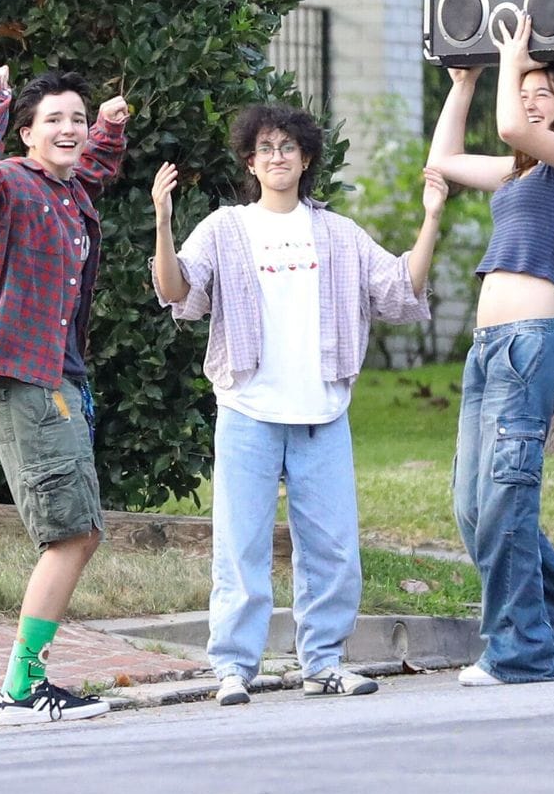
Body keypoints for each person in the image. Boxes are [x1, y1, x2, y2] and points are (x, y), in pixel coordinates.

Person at [151, 103, 449, 705]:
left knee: (334, 548)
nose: (277, 157)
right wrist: (162, 219)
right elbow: (176, 289)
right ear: (250, 163)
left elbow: (399, 289)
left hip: (322, 414)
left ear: (306, 158)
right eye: (265, 148)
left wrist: (432, 218)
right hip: (248, 411)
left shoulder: (336, 232)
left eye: (288, 147)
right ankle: (233, 668)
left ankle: (324, 662)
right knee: (241, 546)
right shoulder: (225, 227)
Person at [426, 10, 554, 686]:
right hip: (489, 349)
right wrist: (467, 82)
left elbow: (514, 127)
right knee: (475, 505)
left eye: (544, 87)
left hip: (529, 347)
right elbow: (441, 162)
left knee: (507, 497)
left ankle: (521, 650)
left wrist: (513, 54)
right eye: (526, 85)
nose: (531, 95)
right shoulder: (519, 175)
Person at [0, 63, 129, 725]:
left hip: (62, 378)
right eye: (53, 119)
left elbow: (96, 165)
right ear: (24, 133)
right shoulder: (10, 189)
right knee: (70, 532)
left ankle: (26, 682)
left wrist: (107, 125)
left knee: (80, 530)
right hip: (27, 375)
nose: (68, 129)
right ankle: (20, 688)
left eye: (74, 119)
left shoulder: (68, 189)